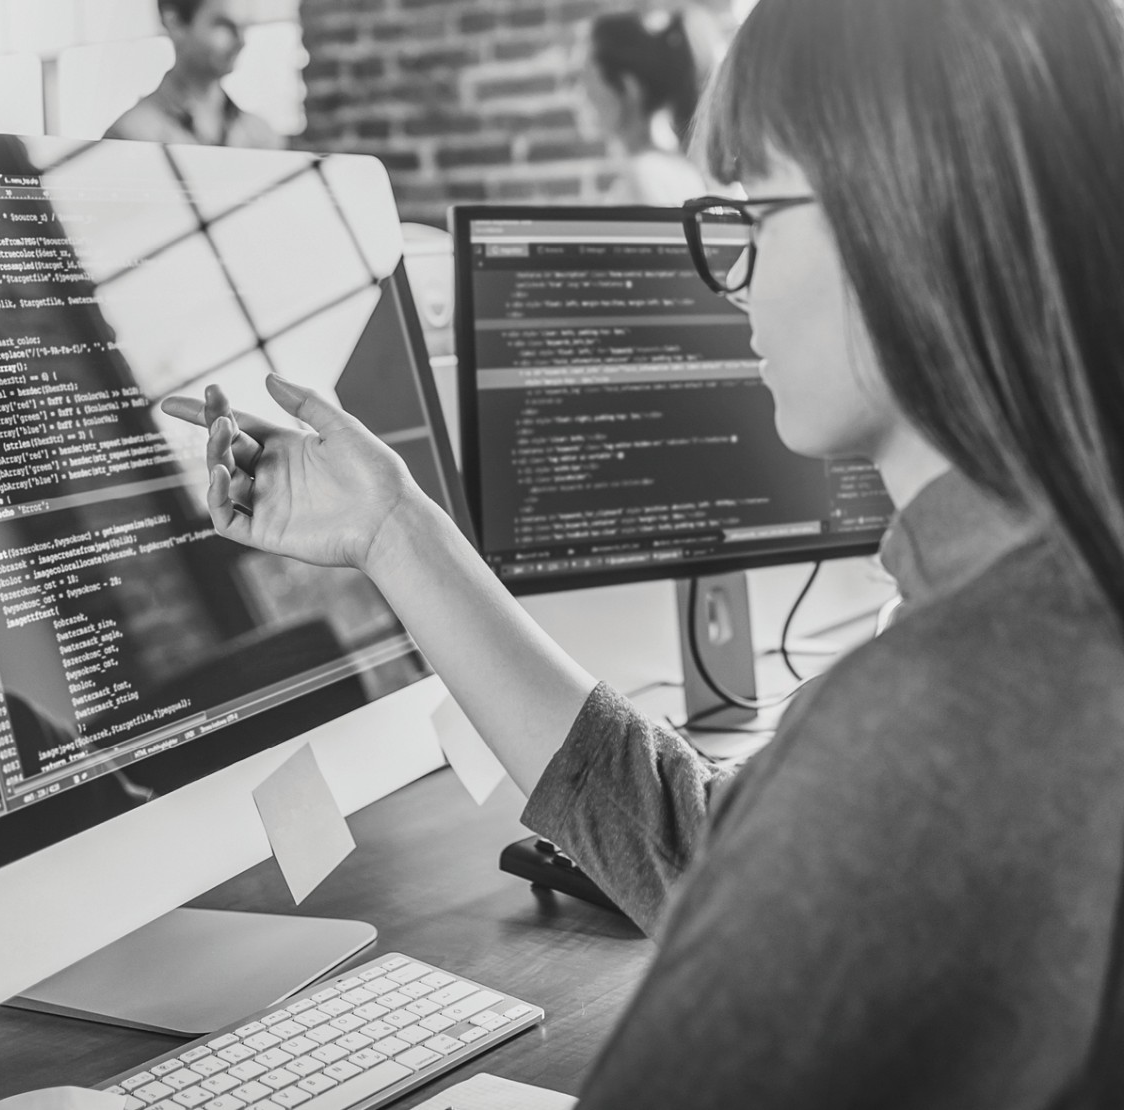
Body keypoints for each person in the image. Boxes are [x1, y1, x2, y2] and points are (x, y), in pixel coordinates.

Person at [164, 0, 1124, 1104]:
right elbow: (727, 863)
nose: (733, 275)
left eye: (755, 208)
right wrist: (393, 527)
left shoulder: (926, 729)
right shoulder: (1046, 609)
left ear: (908, 215)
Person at [104, 0, 281, 149]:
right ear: (174, 21)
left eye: (244, 26)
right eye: (225, 25)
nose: (242, 41)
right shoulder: (130, 137)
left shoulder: (263, 137)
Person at [578, 10, 711, 204]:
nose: (584, 94)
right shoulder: (676, 169)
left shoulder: (643, 178)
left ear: (628, 87)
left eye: (589, 79)